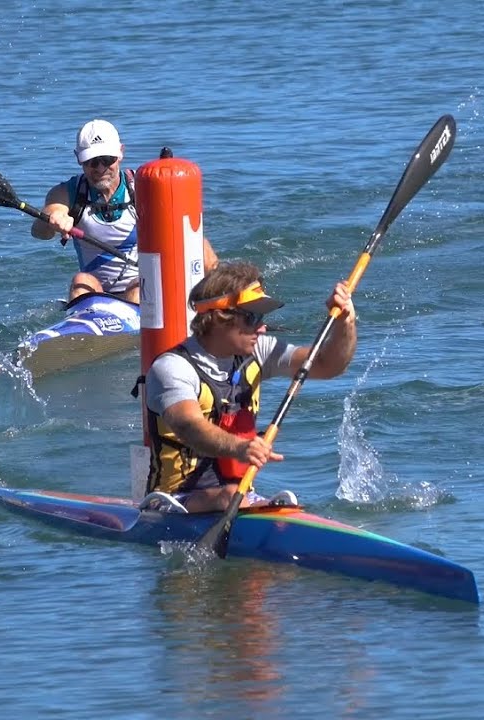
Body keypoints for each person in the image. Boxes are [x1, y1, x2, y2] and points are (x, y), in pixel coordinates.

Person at [144, 260, 356, 513]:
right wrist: (240, 447)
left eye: (262, 317)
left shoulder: (258, 352)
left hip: (239, 496)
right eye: (252, 317)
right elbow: (189, 426)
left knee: (284, 502)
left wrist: (345, 322)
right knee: (229, 496)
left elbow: (328, 365)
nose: (262, 326)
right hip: (173, 502)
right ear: (219, 318)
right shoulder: (172, 368)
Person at [31, 118, 218, 304]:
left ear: (120, 153)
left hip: (140, 284)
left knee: (140, 286)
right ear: (79, 158)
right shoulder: (66, 192)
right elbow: (40, 230)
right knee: (80, 281)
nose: (101, 168)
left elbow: (190, 234)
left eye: (107, 159)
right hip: (96, 291)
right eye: (92, 161)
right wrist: (53, 219)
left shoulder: (143, 189)